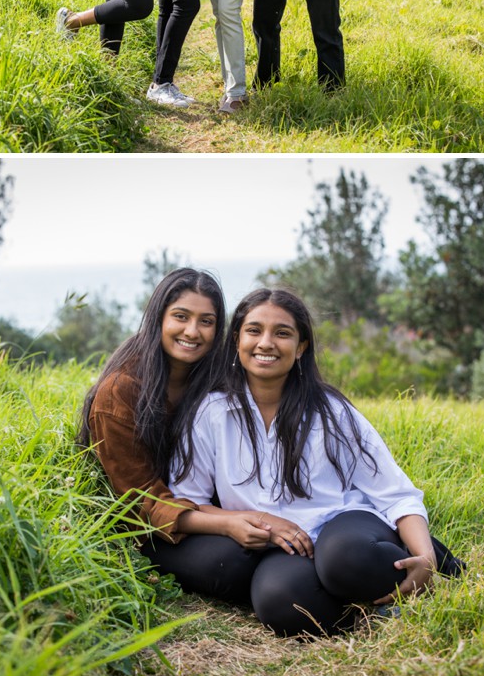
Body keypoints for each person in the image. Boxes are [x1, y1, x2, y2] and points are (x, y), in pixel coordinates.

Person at [169, 287, 464, 637]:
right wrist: (255, 520)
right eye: (254, 330)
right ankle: (371, 616)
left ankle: (431, 564)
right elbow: (190, 500)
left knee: (346, 560)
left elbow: (395, 493)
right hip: (286, 547)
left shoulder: (331, 411)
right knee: (279, 601)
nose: (266, 343)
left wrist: (424, 556)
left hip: (344, 526)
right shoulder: (212, 412)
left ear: (301, 347)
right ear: (236, 340)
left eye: (282, 333)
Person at [77, 268, 282, 603]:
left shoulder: (219, 379)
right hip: (152, 528)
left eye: (206, 321)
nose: (192, 331)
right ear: (159, 318)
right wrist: (228, 524)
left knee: (265, 545)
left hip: (215, 510)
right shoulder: (120, 392)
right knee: (230, 563)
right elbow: (141, 501)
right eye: (181, 317)